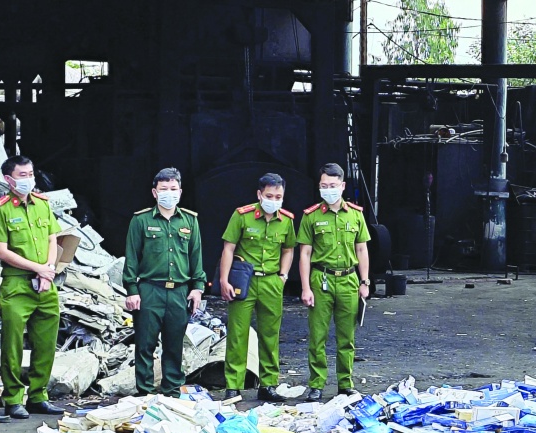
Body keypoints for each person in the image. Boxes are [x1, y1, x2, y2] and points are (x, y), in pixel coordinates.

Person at [0, 155, 64, 419]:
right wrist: (38, 269)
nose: (28, 179)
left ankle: (39, 396)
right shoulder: (1, 209)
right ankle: (13, 398)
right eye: (23, 175)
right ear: (9, 179)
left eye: (31, 173)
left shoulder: (43, 204)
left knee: (46, 343)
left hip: (45, 283)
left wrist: (48, 270)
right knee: (12, 345)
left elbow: (53, 239)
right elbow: (2, 250)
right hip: (17, 284)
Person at [123, 168, 206, 396]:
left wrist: (198, 288)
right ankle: (145, 393)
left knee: (174, 345)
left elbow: (196, 257)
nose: (169, 193)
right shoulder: (141, 220)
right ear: (154, 192)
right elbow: (131, 257)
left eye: (173, 189)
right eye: (163, 189)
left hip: (179, 291)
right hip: (150, 289)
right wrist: (131, 290)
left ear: (180, 191)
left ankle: (172, 392)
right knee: (145, 345)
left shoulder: (190, 220)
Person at [219, 173, 296, 402]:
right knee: (238, 334)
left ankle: (268, 384)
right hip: (245, 281)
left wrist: (283, 276)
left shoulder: (286, 220)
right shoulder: (242, 215)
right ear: (259, 194)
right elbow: (228, 248)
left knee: (270, 335)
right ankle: (233, 386)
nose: (274, 200)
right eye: (269, 196)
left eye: (278, 196)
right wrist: (224, 280)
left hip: (271, 281)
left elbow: (288, 249)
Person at [297, 163, 370, 402]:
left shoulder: (356, 214)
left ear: (343, 186)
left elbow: (362, 249)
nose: (329, 190)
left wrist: (365, 281)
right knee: (317, 336)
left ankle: (345, 384)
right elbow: (305, 253)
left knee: (346, 336)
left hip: (349, 279)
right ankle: (316, 384)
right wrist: (305, 287)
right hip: (321, 279)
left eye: (333, 185)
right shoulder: (311, 216)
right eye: (324, 185)